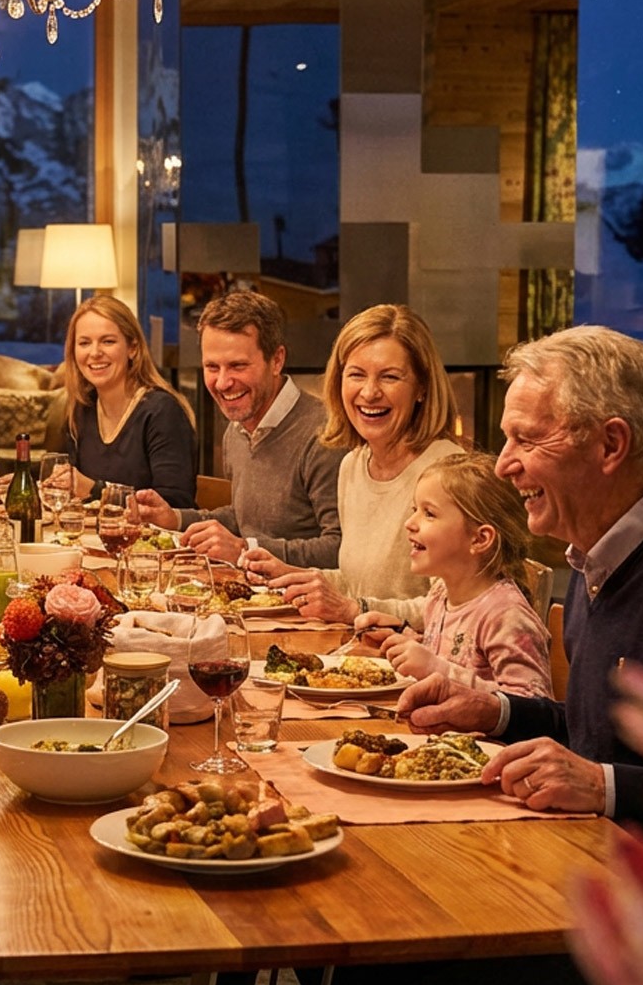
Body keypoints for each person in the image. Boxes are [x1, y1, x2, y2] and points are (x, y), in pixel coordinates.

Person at [309, 326, 643, 985]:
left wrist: (601, 786)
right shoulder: (595, 562)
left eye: (525, 440)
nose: (504, 466)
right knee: (345, 965)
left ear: (610, 445)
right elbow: (594, 726)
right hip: (577, 874)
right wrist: (499, 709)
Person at [246, 304, 462, 622]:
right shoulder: (353, 465)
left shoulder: (448, 473)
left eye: (390, 377)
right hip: (362, 653)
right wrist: (291, 575)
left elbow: (453, 610)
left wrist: (353, 610)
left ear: (421, 387)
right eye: (356, 375)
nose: (370, 392)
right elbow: (358, 583)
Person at [132, 291, 342, 564]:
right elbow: (245, 518)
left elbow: (339, 548)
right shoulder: (237, 429)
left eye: (237, 366)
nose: (222, 382)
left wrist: (245, 550)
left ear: (277, 360)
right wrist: (175, 518)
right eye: (211, 367)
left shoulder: (325, 436)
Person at [357, 452, 550, 701]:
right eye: (415, 509)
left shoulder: (505, 615)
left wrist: (435, 669)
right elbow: (451, 657)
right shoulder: (440, 593)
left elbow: (531, 707)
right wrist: (403, 638)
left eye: (429, 514)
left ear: (480, 539)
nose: (409, 523)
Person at [58, 294, 195, 507]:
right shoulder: (81, 408)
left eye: (108, 341)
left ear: (133, 348)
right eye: (84, 343)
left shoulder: (162, 411)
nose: (95, 353)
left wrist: (95, 491)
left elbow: (174, 505)